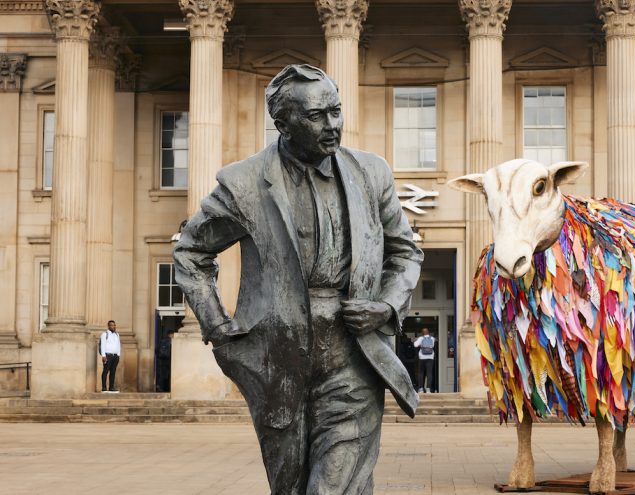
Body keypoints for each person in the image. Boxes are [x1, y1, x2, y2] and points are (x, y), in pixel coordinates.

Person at [173, 64, 423, 495]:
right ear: (283, 123)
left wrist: (385, 305)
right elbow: (191, 252)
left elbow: (405, 252)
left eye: (336, 111)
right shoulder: (244, 183)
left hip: (353, 355)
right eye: (316, 116)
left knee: (332, 486)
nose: (333, 126)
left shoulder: (371, 173)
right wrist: (216, 325)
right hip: (277, 361)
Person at [99, 320, 120, 393]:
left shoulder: (117, 334)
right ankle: (104, 388)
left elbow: (118, 345)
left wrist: (118, 354)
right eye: (111, 325)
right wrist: (103, 355)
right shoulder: (105, 334)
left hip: (115, 356)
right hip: (108, 355)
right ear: (108, 326)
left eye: (114, 325)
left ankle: (111, 387)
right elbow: (102, 345)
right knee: (105, 371)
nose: (113, 326)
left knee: (113, 372)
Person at [414, 328, 436, 393]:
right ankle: (428, 389)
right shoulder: (432, 338)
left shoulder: (421, 338)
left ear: (422, 333)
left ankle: (421, 389)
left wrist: (417, 340)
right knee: (429, 373)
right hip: (430, 357)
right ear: (428, 332)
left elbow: (415, 345)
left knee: (421, 373)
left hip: (422, 357)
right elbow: (433, 346)